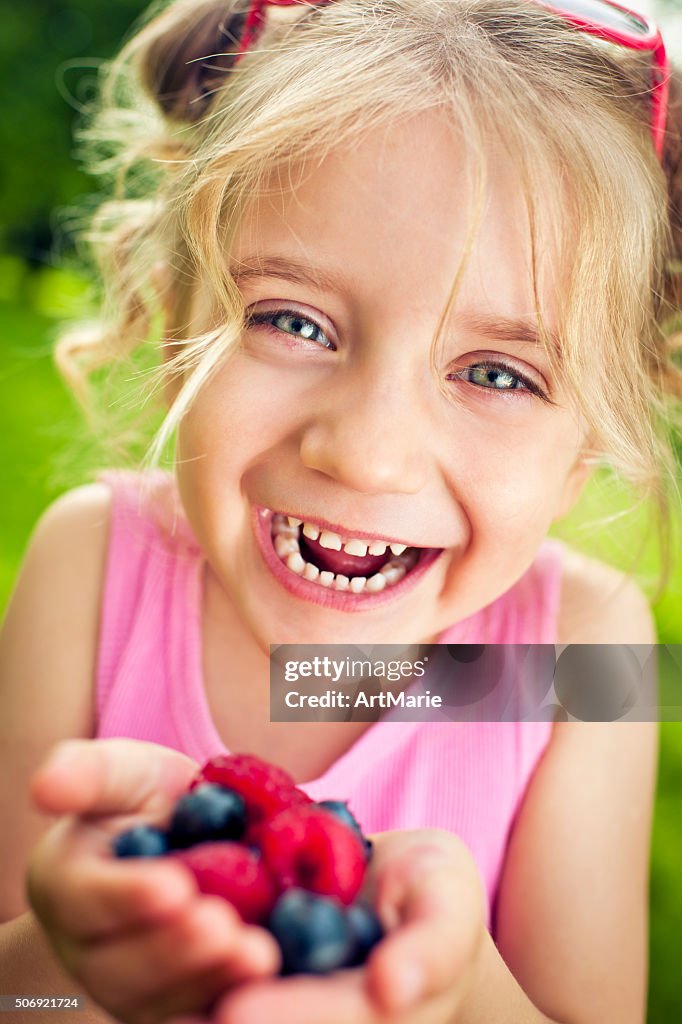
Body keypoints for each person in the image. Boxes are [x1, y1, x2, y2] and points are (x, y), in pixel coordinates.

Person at [1, 0, 681, 1021]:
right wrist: (67, 965)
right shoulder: (95, 563)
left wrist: (458, 996)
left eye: (496, 373)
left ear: (593, 435)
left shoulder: (578, 652)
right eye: (293, 320)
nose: (363, 455)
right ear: (176, 305)